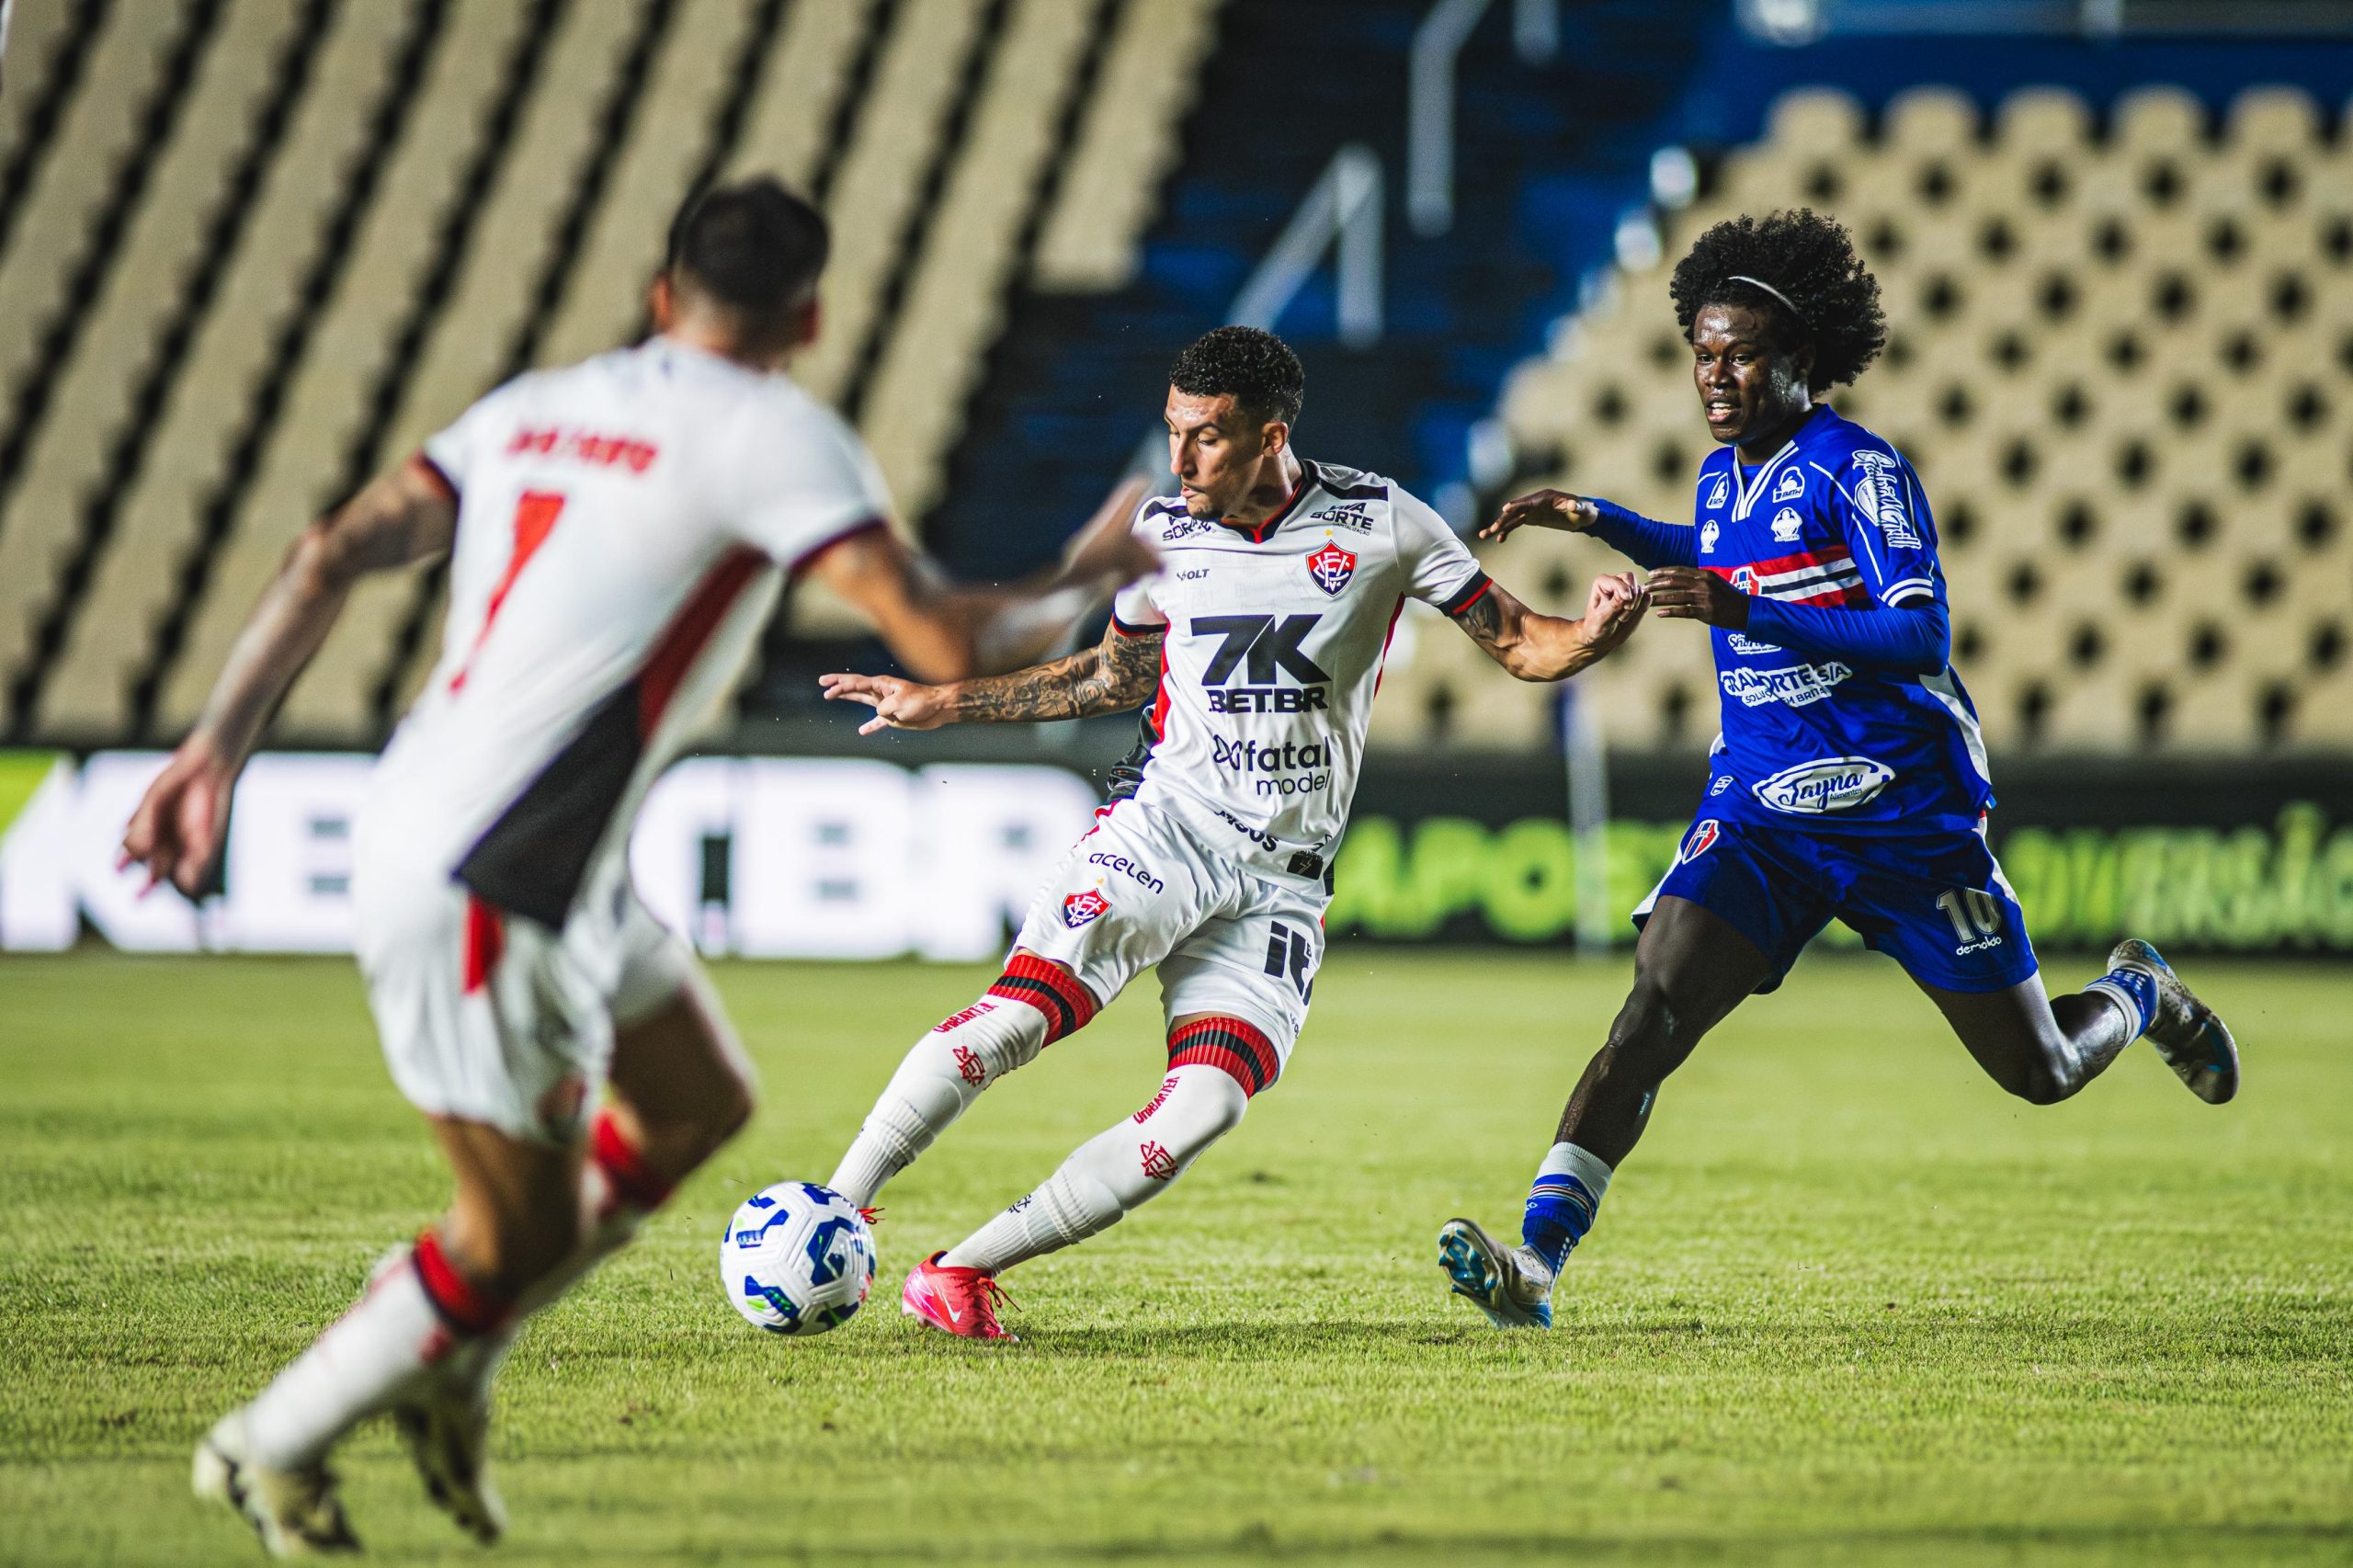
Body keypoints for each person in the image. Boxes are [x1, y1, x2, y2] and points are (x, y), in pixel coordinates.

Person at [121, 177, 1153, 1554]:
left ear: (663, 296)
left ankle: (452, 1371)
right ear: (813, 316)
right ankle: (271, 1440)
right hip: (493, 871)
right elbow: (951, 643)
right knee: (506, 1236)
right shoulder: (778, 437)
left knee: (694, 1104)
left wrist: (211, 746)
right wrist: (1084, 568)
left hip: (518, 841)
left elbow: (332, 548)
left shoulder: (531, 406)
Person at [1436, 209, 2241, 1331]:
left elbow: (1921, 636)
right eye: (1701, 353)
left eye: (1741, 353)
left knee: (2040, 1071)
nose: (1715, 375)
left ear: (1802, 360)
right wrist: (1596, 517)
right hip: (1765, 811)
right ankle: (1535, 1260)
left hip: (1899, 817)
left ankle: (2140, 991)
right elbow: (1713, 548)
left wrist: (1747, 608)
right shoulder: (1726, 475)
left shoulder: (1860, 470)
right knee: (1653, 1008)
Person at [819, 325, 1647, 1339]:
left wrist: (1595, 633)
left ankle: (957, 1270)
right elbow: (1106, 678)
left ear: (1272, 435)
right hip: (1164, 828)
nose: (1179, 460)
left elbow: (1521, 640)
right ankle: (832, 1204)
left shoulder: (1382, 523)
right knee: (1021, 1016)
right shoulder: (1164, 536)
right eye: (1173, 432)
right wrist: (942, 703)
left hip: (1284, 881)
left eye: (1205, 437)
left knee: (1207, 1104)